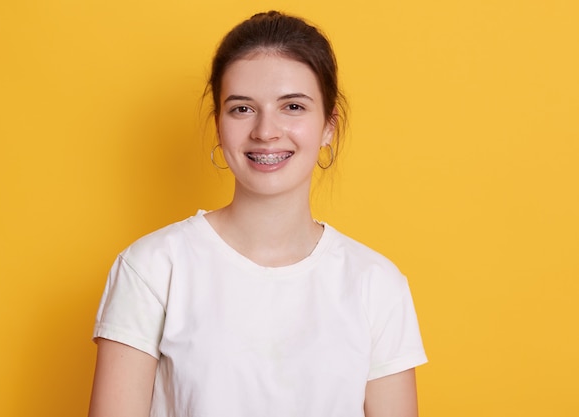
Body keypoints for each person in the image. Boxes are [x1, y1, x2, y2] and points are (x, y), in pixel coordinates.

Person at [88, 10, 427, 417]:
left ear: (328, 126)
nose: (266, 131)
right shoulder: (152, 269)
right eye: (242, 109)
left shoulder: (377, 285)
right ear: (219, 125)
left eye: (293, 107)